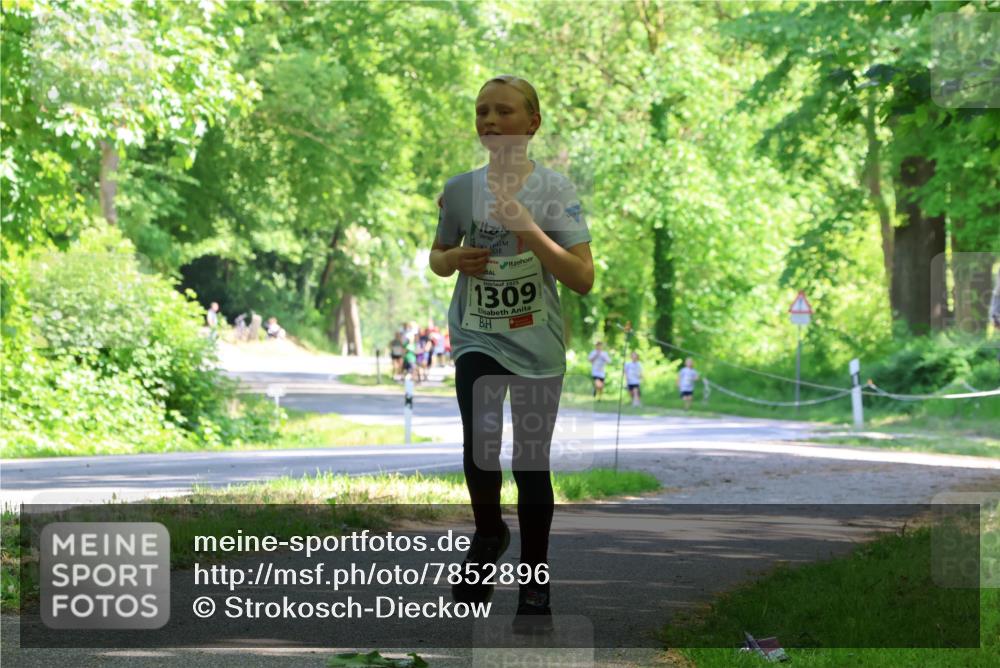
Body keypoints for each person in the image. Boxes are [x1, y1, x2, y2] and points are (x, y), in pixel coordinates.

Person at [429, 75, 593, 633]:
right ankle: (488, 532)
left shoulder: (554, 191)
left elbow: (582, 277)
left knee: (530, 465)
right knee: (480, 444)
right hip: (476, 333)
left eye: (502, 111)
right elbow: (437, 253)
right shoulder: (459, 189)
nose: (490, 121)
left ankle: (535, 587)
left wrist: (531, 231)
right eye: (481, 112)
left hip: (535, 343)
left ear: (532, 123)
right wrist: (455, 262)